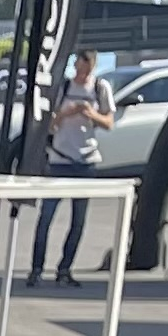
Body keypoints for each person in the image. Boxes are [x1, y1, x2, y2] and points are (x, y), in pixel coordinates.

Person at [26, 52, 114, 288]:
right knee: (46, 217)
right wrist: (67, 113)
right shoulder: (64, 87)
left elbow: (109, 122)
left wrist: (90, 113)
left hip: (86, 161)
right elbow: (48, 123)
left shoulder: (100, 88)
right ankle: (36, 269)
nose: (84, 72)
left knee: (78, 220)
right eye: (81, 66)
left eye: (88, 67)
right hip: (60, 160)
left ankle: (65, 269)